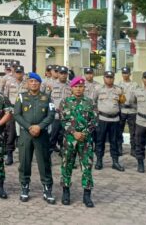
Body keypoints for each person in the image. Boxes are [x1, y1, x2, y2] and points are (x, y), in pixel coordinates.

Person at [14, 72, 55, 204]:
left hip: (41, 135)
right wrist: (29, 127)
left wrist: (40, 127)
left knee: (44, 162)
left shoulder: (47, 97)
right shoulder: (21, 97)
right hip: (26, 134)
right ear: (27, 83)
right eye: (31, 81)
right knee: (25, 161)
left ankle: (47, 187)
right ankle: (25, 186)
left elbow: (51, 115)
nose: (33, 84)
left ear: (39, 83)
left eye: (36, 82)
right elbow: (17, 114)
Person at [57, 77, 96, 208]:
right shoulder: (65, 102)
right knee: (67, 165)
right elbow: (62, 120)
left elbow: (94, 120)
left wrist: (84, 133)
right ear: (71, 88)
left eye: (81, 87)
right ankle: (66, 192)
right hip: (69, 140)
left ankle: (87, 195)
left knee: (87, 167)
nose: (78, 89)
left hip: (85, 140)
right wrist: (74, 132)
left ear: (84, 88)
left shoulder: (90, 103)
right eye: (76, 87)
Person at [91, 71, 125, 171]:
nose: (109, 79)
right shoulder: (98, 89)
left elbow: (122, 103)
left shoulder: (119, 90)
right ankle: (99, 161)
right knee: (100, 141)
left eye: (111, 77)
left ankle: (115, 161)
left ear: (114, 78)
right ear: (104, 78)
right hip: (102, 119)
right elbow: (93, 102)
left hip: (115, 119)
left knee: (114, 141)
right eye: (107, 77)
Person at [0, 65, 28, 166]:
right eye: (17, 72)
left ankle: (23, 155)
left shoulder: (27, 83)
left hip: (24, 110)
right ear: (14, 73)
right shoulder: (9, 82)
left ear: (23, 73)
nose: (19, 74)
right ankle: (9, 154)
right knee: (11, 132)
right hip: (12, 109)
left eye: (20, 72)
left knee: (24, 132)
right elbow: (5, 96)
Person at [49, 66, 71, 155]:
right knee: (52, 136)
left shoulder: (71, 85)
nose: (63, 75)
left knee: (65, 136)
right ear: (58, 74)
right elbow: (47, 99)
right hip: (55, 116)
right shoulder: (51, 85)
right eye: (61, 73)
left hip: (67, 116)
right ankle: (48, 157)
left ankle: (64, 154)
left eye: (65, 73)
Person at [117, 67, 137, 157]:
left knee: (133, 131)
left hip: (132, 111)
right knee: (119, 130)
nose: (125, 75)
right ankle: (119, 148)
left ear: (130, 74)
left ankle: (133, 149)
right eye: (123, 73)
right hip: (122, 110)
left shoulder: (135, 85)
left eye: (127, 73)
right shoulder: (118, 85)